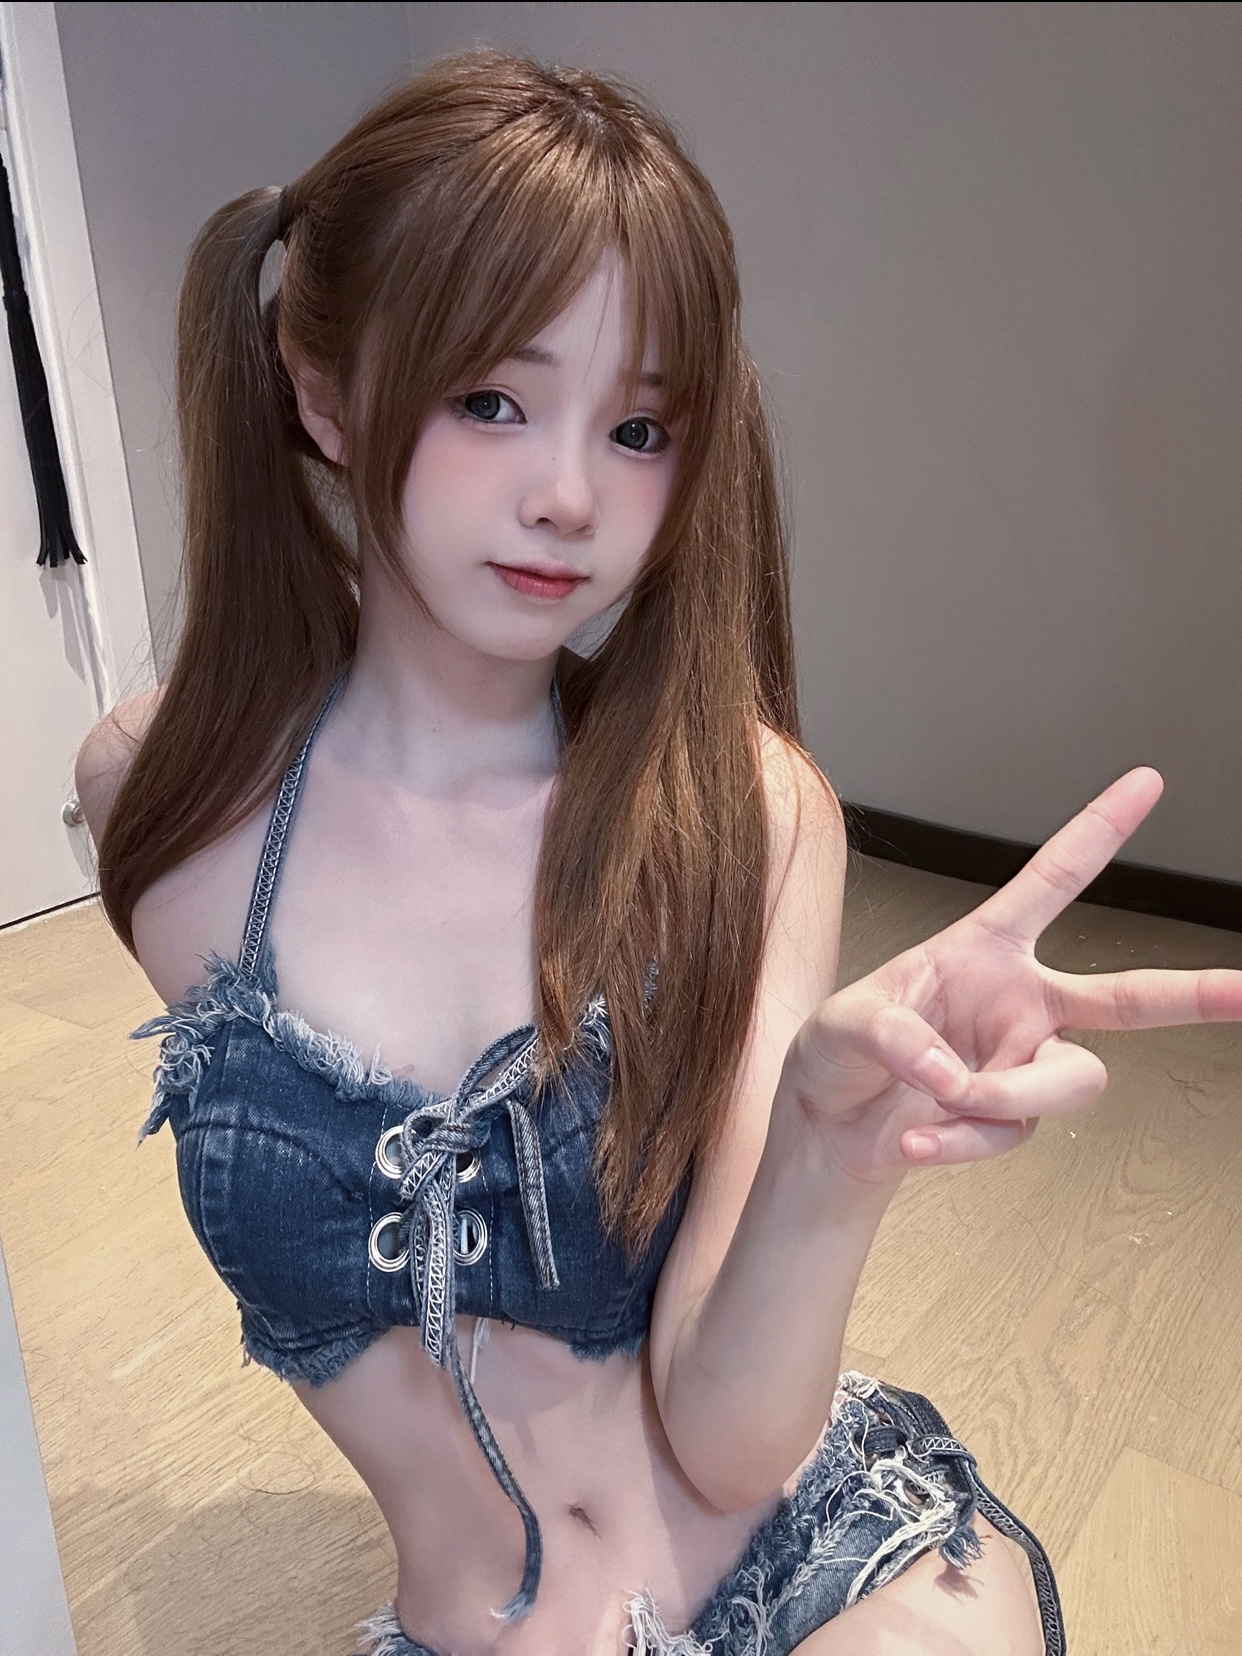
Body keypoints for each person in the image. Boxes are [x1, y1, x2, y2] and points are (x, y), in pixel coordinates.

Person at [75, 50, 1240, 1656]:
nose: (569, 497)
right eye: (490, 400)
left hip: (816, 1553)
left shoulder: (743, 814)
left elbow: (728, 1438)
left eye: (636, 429)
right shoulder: (167, 796)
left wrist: (828, 1155)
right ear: (320, 391)